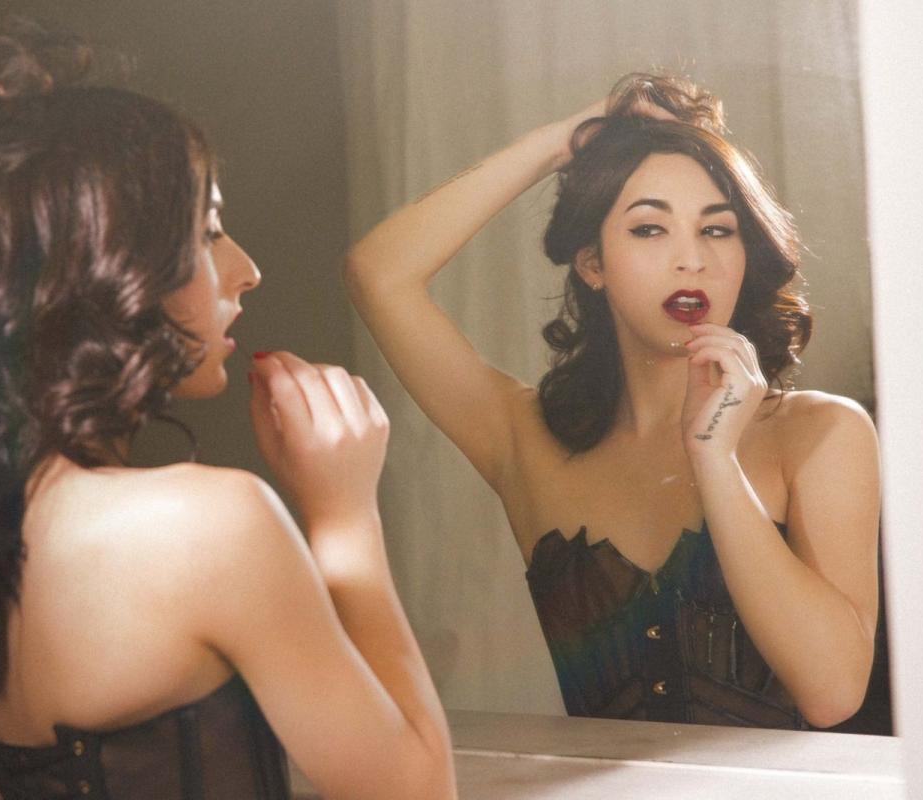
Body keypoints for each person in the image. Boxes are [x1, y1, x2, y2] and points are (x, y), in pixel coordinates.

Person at [0, 18, 454, 799]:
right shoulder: (210, 525)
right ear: (102, 266)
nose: (247, 269)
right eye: (208, 232)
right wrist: (344, 516)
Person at [344, 74, 880, 729]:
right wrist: (564, 141)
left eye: (718, 230)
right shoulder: (524, 439)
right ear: (592, 263)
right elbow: (379, 274)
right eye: (650, 229)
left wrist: (715, 459)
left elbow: (833, 694)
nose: (692, 260)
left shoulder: (822, 433)